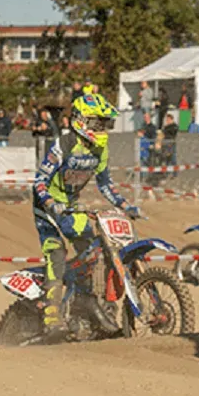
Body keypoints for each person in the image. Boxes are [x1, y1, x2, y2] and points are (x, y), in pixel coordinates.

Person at [31, 92, 140, 340]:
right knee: (56, 253)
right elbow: (40, 181)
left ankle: (84, 304)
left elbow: (106, 184)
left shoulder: (100, 150)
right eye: (98, 123)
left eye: (105, 123)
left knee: (92, 251)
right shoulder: (64, 144)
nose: (103, 128)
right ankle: (51, 316)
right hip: (46, 208)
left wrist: (126, 205)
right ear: (82, 121)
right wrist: (51, 204)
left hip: (71, 205)